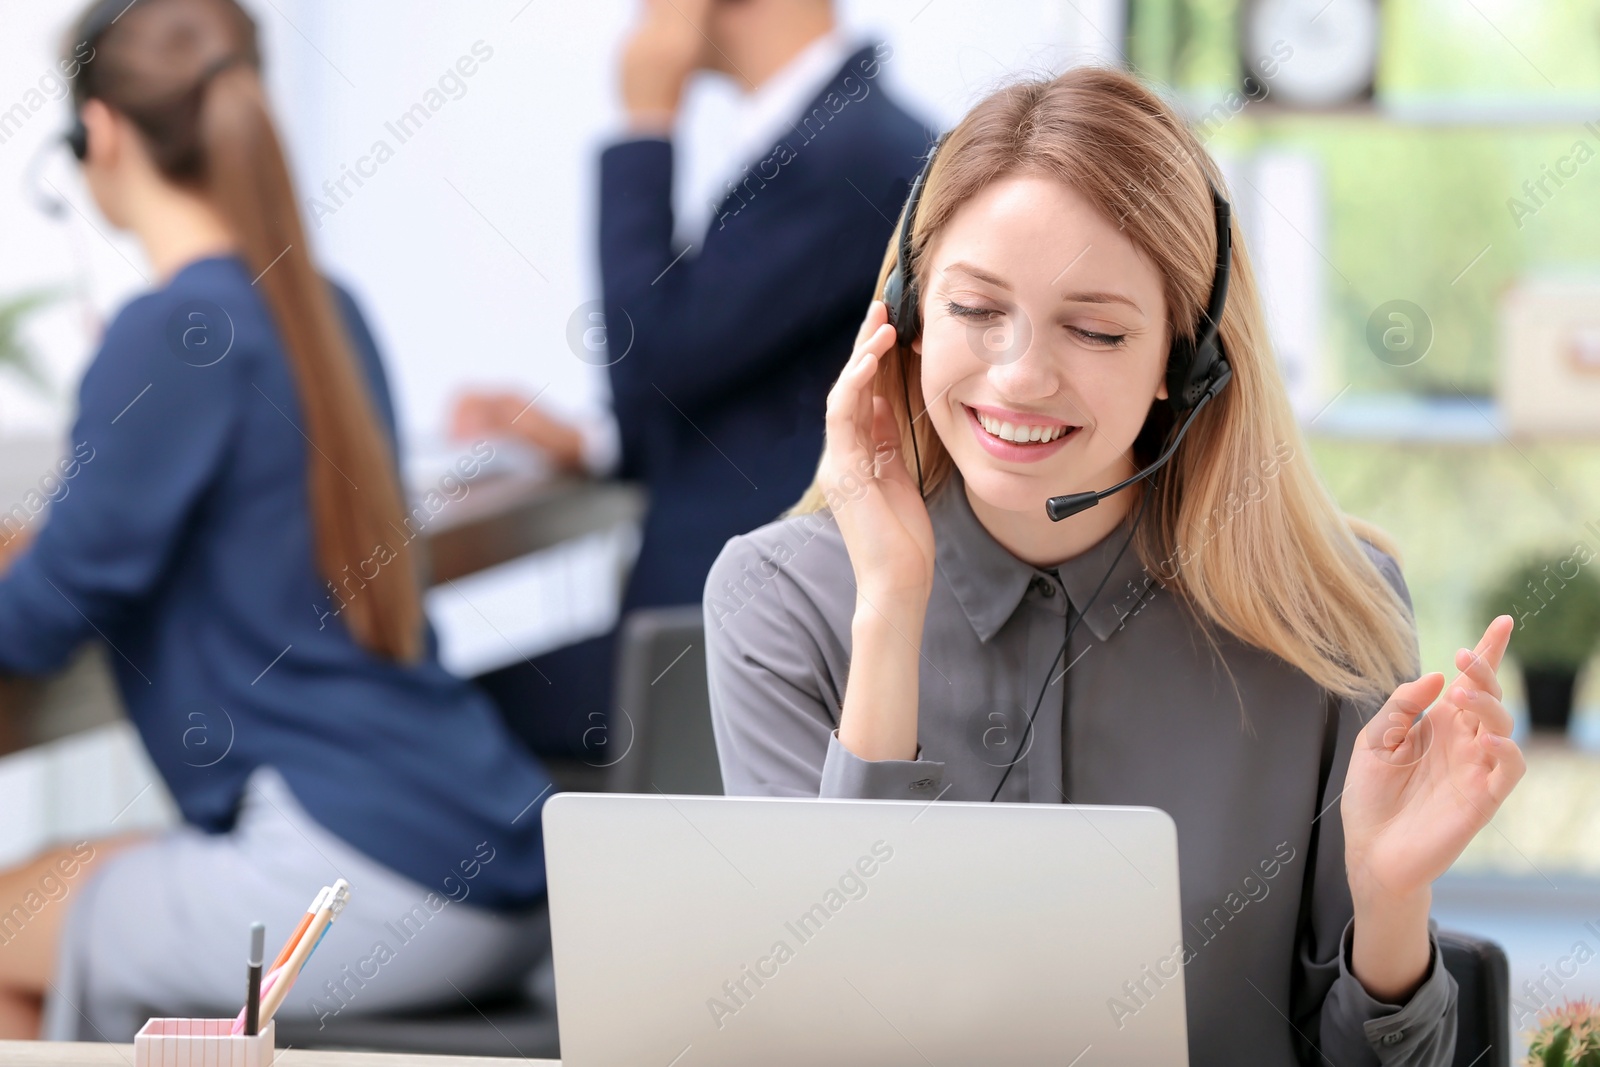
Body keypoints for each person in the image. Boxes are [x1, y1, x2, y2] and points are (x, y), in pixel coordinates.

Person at [703, 66, 1525, 1066]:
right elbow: (821, 1035)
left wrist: (1390, 898)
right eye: (974, 310)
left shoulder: (1327, 611)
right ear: (908, 315)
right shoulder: (780, 600)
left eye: (1094, 329)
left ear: (1187, 364)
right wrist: (889, 607)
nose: (1019, 375)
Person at [0, 0, 554, 1040]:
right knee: (68, 886)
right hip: (501, 851)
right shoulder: (325, 310)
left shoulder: (168, 331)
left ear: (99, 135)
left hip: (358, 875)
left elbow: (35, 619)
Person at [455, 0, 930, 758]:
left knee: (434, 710)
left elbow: (649, 362)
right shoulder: (845, 133)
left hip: (737, 643)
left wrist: (644, 124)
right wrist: (598, 443)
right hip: (748, 616)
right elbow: (744, 383)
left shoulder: (844, 155)